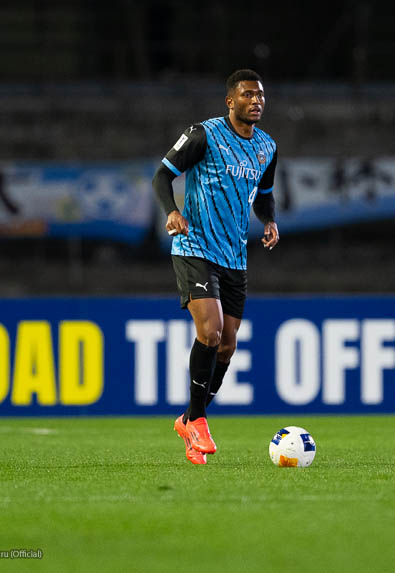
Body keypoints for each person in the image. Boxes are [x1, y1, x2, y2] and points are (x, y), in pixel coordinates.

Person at [152, 69, 279, 465]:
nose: (256, 101)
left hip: (234, 256)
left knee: (227, 345)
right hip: (195, 247)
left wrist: (269, 220)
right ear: (230, 101)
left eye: (260, 95)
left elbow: (264, 194)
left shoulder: (267, 147)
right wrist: (172, 211)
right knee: (210, 331)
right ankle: (198, 420)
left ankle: (189, 419)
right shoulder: (203, 135)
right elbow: (162, 175)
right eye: (247, 95)